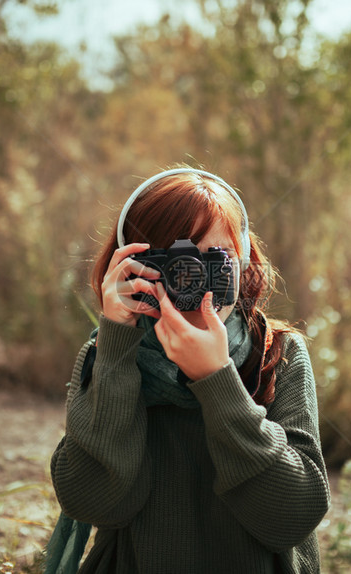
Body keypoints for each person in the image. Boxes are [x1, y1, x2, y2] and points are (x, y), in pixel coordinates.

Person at [48, 167, 330, 573]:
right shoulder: (107, 353)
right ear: (133, 266)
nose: (192, 276)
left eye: (215, 257)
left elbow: (293, 517)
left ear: (244, 260)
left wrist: (218, 381)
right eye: (175, 260)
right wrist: (116, 345)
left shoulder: (276, 354)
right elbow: (93, 502)